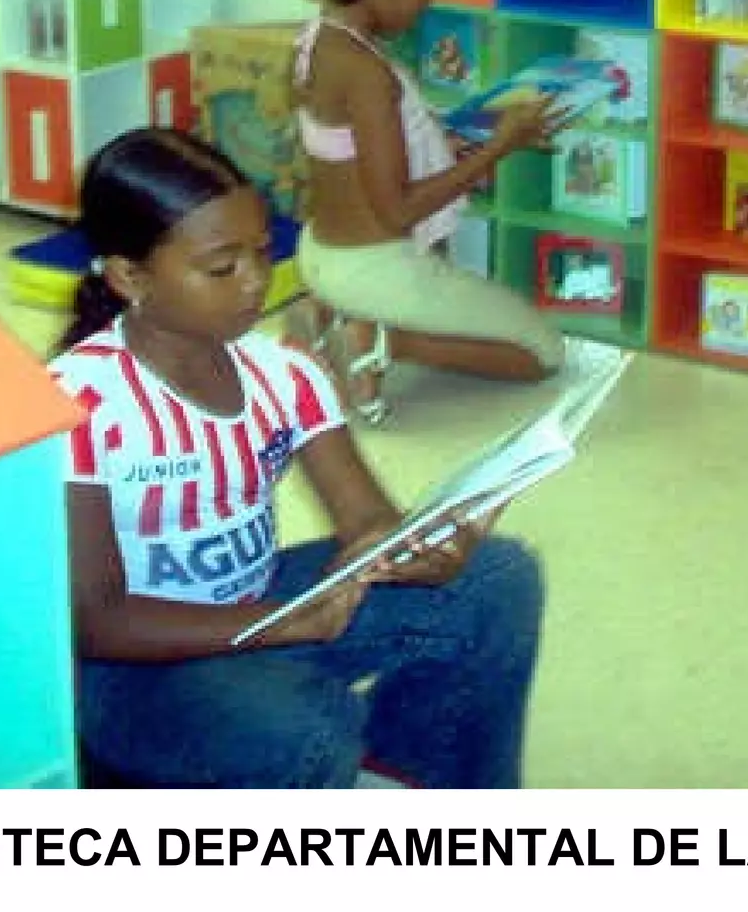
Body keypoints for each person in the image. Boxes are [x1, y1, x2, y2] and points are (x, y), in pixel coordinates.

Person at [49, 127, 545, 789]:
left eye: (262, 250)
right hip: (134, 670)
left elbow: (365, 519)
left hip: (265, 607)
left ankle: (418, 773)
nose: (257, 281)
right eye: (222, 267)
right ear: (129, 275)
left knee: (496, 579)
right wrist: (277, 626)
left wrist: (417, 551)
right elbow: (97, 619)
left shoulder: (282, 372)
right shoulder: (78, 403)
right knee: (305, 727)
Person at [288, 0, 566, 420]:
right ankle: (380, 341)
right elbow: (397, 211)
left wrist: (451, 142)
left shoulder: (318, 41)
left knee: (460, 306)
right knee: (541, 354)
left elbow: (352, 151)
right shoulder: (369, 75)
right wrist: (500, 147)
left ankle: (330, 312)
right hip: (378, 266)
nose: (428, 3)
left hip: (327, 253)